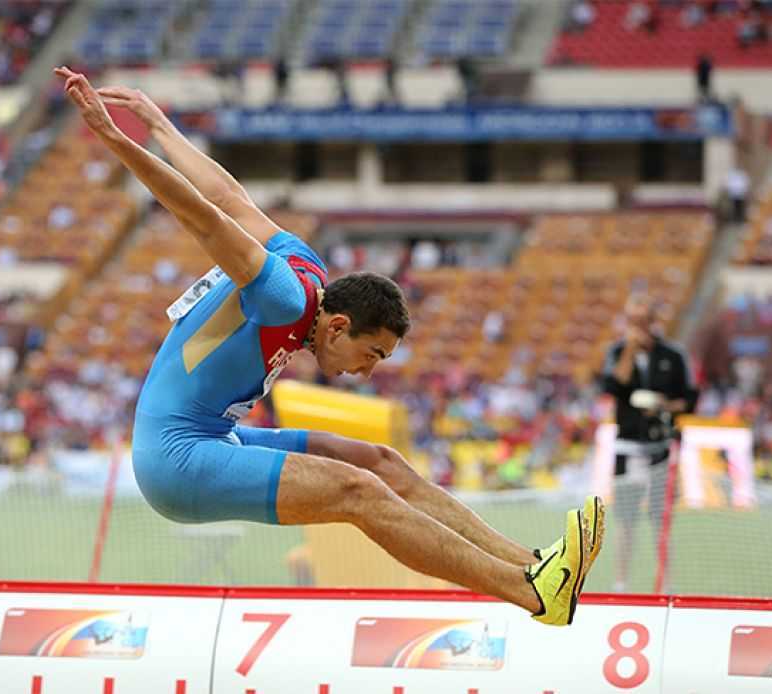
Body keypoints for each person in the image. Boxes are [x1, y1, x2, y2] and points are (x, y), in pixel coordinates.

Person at [54, 67, 606, 626]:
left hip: (216, 433)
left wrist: (159, 125)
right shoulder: (285, 298)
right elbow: (205, 217)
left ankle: (536, 563)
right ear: (338, 327)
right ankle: (533, 594)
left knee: (378, 462)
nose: (366, 373)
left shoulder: (306, 265)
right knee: (357, 490)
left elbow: (228, 194)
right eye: (372, 355)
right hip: (175, 460)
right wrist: (119, 139)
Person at [601, 293, 697, 592]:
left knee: (662, 518)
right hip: (628, 446)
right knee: (625, 519)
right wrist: (630, 348)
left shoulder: (673, 355)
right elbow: (613, 386)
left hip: (663, 446)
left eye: (643, 321)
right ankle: (621, 583)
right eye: (633, 321)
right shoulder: (618, 352)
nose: (638, 327)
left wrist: (663, 406)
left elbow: (690, 399)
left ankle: (664, 583)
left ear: (654, 322)